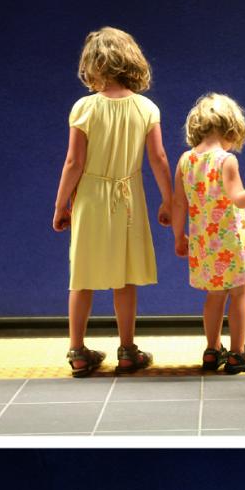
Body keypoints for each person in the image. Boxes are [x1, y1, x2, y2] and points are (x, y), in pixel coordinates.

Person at [52, 27, 173, 377]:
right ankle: (127, 349)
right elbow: (159, 159)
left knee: (82, 275)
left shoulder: (84, 108)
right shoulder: (147, 107)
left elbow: (74, 162)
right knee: (125, 276)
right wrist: (169, 201)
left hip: (90, 196)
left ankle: (77, 350)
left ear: (91, 65)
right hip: (129, 197)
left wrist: (62, 205)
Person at [171, 94, 245, 374]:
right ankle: (237, 353)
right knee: (240, 293)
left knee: (214, 295)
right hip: (231, 242)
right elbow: (240, 199)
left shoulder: (185, 160)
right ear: (231, 128)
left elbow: (179, 203)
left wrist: (178, 236)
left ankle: (211, 349)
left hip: (203, 243)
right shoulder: (226, 161)